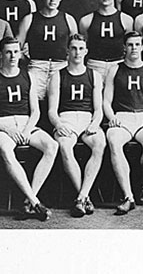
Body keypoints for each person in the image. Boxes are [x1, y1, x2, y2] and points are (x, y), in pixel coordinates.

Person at [0, 37, 58, 220]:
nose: (12, 56)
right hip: (4, 125)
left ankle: (29, 199)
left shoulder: (29, 76)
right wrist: (8, 130)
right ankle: (35, 202)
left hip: (26, 124)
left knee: (52, 146)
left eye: (15, 52)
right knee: (6, 150)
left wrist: (26, 131)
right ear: (1, 54)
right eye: (8, 52)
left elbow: (35, 112)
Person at [104, 31, 143, 215]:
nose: (134, 48)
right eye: (130, 44)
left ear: (142, 47)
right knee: (113, 140)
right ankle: (128, 196)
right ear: (124, 47)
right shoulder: (115, 69)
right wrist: (111, 116)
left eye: (137, 44)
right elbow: (106, 101)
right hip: (122, 116)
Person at [47, 34, 105, 217]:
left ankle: (81, 197)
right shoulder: (57, 76)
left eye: (81, 48)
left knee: (100, 144)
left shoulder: (94, 75)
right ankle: (84, 197)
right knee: (64, 145)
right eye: (73, 48)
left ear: (86, 51)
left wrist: (95, 123)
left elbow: (98, 109)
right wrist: (57, 123)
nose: (77, 52)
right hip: (67, 118)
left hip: (87, 118)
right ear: (67, 51)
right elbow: (51, 111)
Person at [18, 0, 78, 101]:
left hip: (60, 66)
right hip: (37, 65)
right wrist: (29, 61)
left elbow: (76, 47)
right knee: (33, 101)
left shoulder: (68, 19)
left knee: (60, 101)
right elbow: (17, 47)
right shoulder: (29, 19)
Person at [79, 0, 134, 80]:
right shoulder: (86, 20)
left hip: (118, 64)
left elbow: (128, 46)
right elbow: (84, 47)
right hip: (95, 64)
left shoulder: (126, 20)